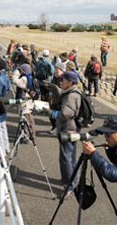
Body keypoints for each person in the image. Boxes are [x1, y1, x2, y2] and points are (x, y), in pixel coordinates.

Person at [43, 71, 82, 200]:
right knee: (70, 158)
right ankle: (71, 180)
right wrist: (54, 88)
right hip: (72, 130)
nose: (62, 82)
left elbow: (64, 114)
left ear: (70, 82)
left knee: (66, 159)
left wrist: (50, 113)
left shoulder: (72, 96)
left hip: (68, 131)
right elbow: (63, 95)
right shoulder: (72, 92)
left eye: (64, 80)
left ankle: (69, 186)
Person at [12, 64, 36, 143]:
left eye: (21, 70)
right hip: (29, 101)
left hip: (25, 101)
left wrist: (16, 72)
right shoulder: (30, 77)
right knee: (30, 119)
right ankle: (32, 135)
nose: (20, 71)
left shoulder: (24, 78)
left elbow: (14, 81)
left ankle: (26, 136)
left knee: (25, 120)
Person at [47, 62, 64, 134]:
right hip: (53, 99)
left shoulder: (64, 78)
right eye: (55, 69)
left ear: (61, 70)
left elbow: (63, 89)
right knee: (51, 114)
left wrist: (55, 88)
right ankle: (54, 126)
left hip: (62, 100)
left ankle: (61, 129)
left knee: (61, 116)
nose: (56, 71)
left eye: (57, 69)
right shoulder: (53, 77)